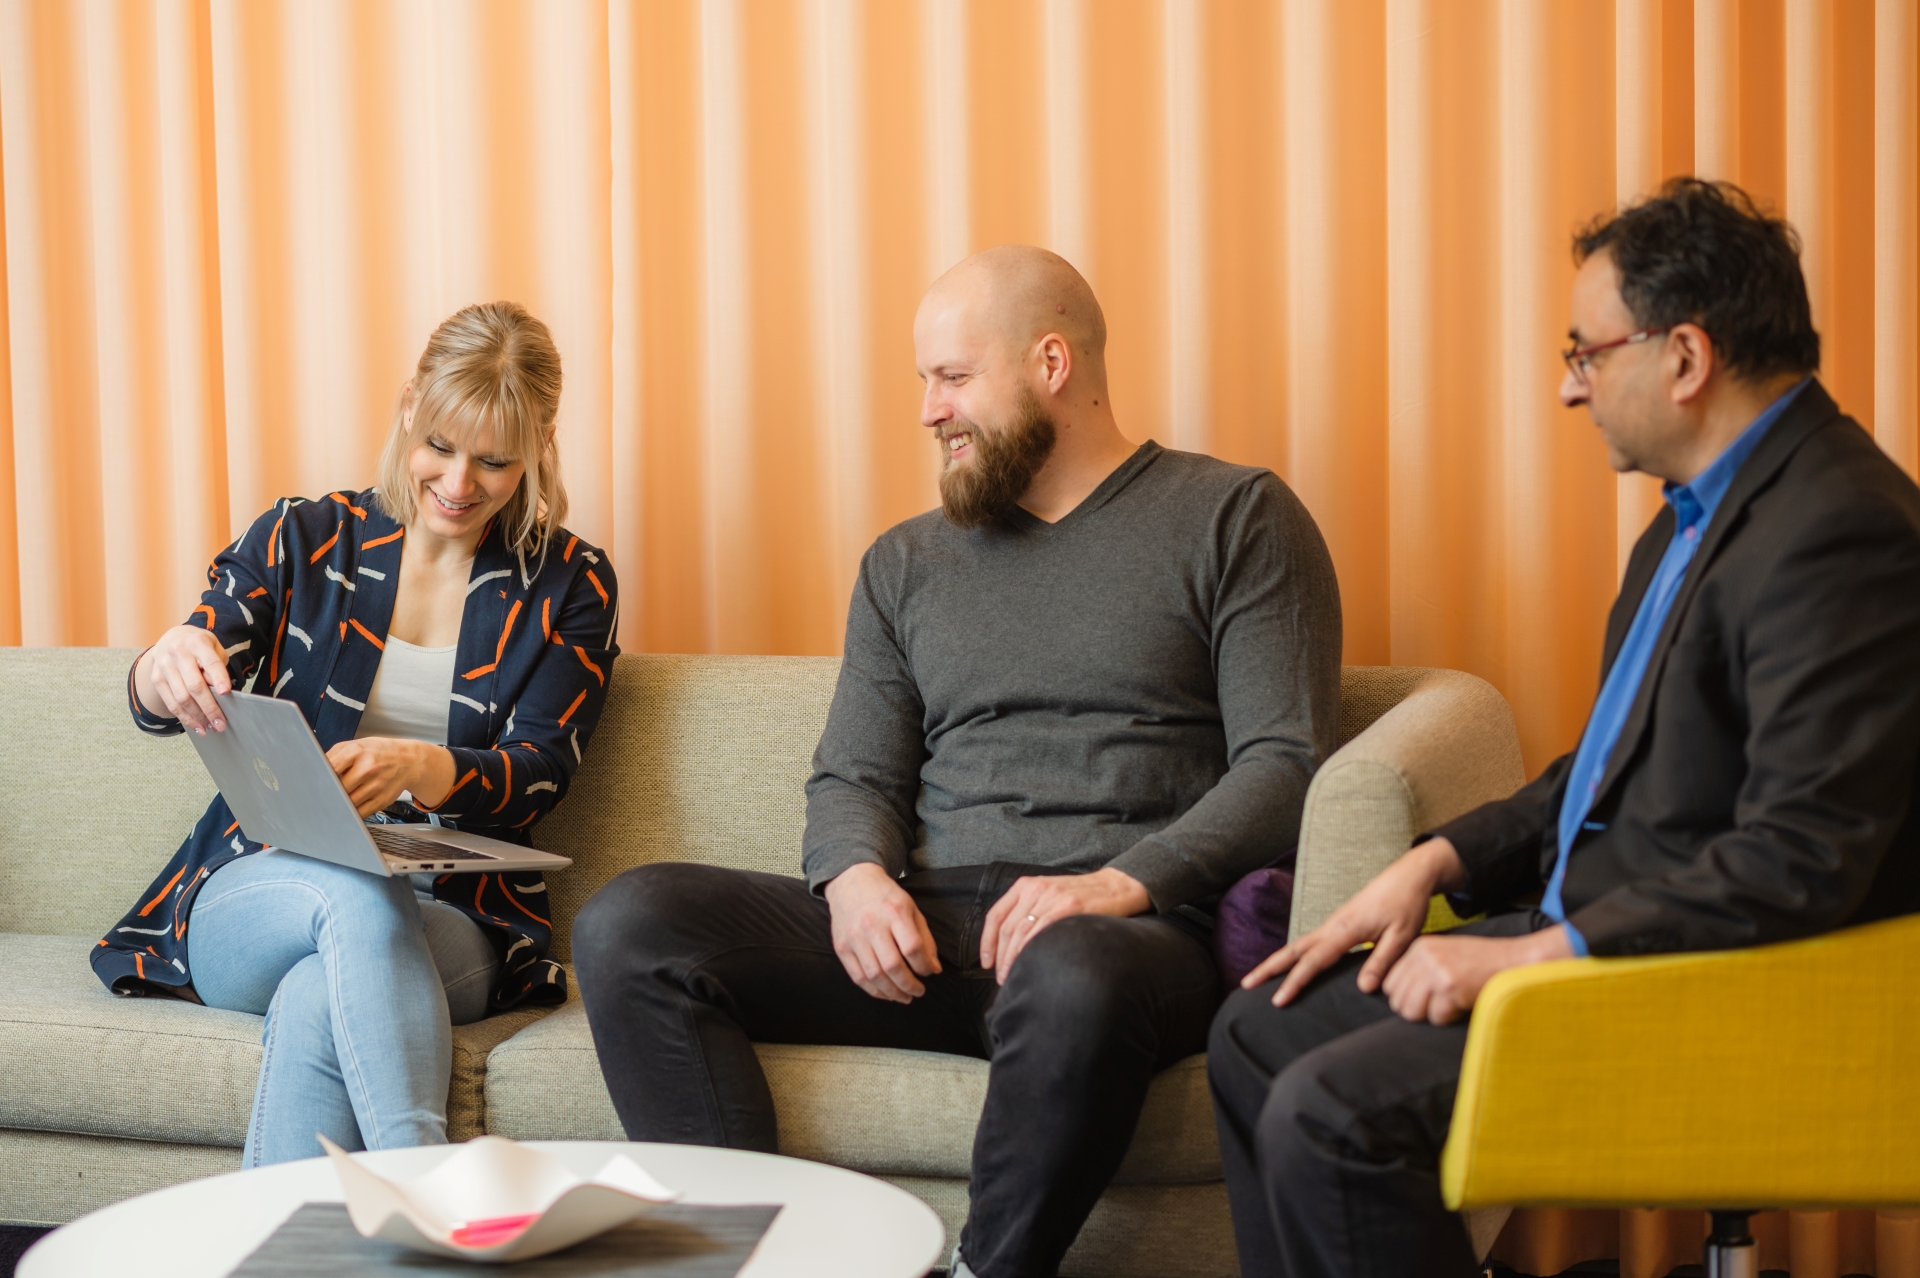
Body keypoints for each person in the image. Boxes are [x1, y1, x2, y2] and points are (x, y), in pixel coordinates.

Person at [573, 245, 1342, 1278]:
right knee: (631, 921)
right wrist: (854, 879)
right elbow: (854, 775)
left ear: (1051, 364)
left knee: (1074, 969)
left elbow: (1286, 765)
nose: (929, 411)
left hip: (1121, 937)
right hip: (934, 936)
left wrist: (1116, 886)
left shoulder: (1234, 517)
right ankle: (753, 1263)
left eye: (953, 377)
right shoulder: (905, 564)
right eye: (924, 381)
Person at [1207, 177, 1920, 1278]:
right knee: (1253, 1034)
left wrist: (1530, 958)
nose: (1567, 387)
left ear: (1685, 357)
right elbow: (1611, 769)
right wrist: (1434, 864)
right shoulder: (1693, 520)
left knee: (1332, 1111)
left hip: (1721, 992)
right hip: (1607, 941)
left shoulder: (1843, 530)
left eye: (1585, 353)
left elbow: (1799, 858)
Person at [95, 301, 620, 1167]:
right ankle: (428, 1187)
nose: (460, 483)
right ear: (410, 406)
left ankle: (324, 1230)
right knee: (356, 891)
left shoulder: (571, 583)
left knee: (321, 992)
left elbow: (541, 771)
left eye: (494, 461)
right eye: (441, 446)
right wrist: (166, 662)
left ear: (540, 446)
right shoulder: (305, 537)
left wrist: (426, 765)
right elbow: (174, 682)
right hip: (259, 894)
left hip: (454, 916)